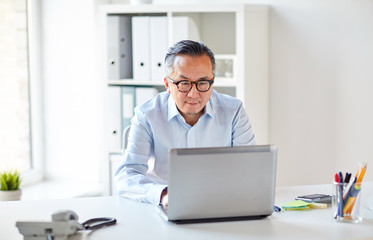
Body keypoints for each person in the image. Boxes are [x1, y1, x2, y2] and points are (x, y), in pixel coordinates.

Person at [115, 40, 256, 208]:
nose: (193, 94)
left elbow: (250, 168)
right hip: (165, 205)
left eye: (202, 83)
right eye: (184, 83)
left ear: (212, 82)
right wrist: (163, 195)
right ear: (168, 84)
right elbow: (127, 175)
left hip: (221, 203)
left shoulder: (233, 111)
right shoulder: (147, 115)